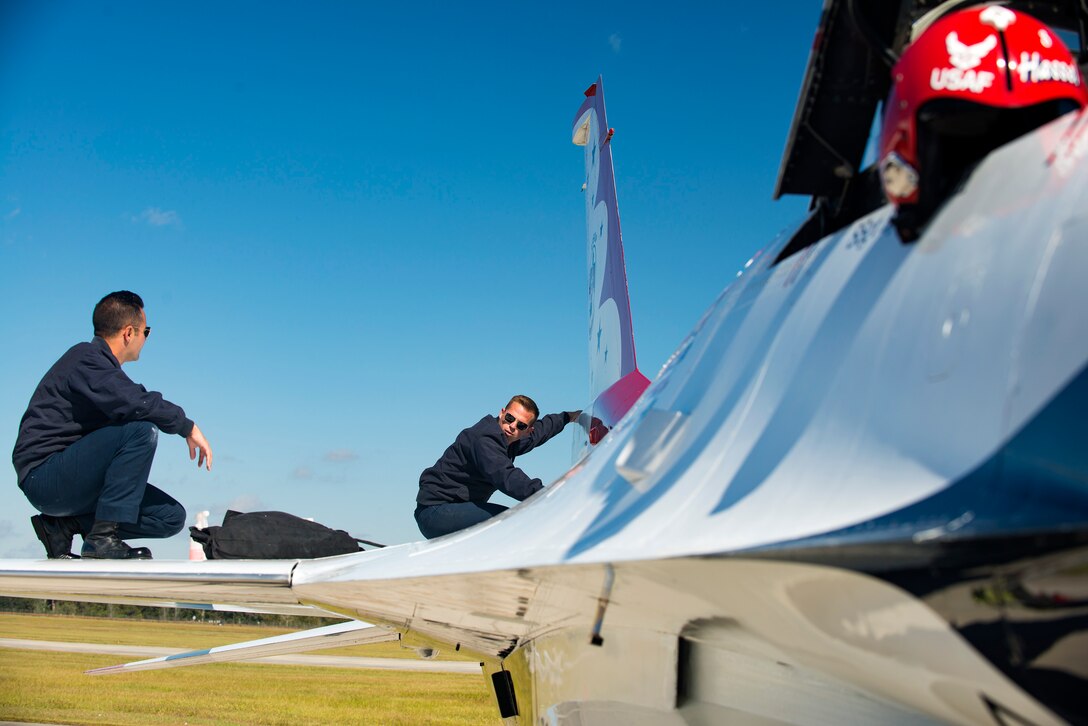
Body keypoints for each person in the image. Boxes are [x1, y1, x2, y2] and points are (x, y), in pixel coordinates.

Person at [12, 291, 213, 560]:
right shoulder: (85, 358)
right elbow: (136, 402)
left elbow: (130, 398)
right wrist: (187, 426)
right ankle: (102, 540)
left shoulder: (103, 373)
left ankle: (63, 526)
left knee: (169, 517)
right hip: (44, 477)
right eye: (147, 331)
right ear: (129, 333)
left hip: (73, 482)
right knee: (141, 431)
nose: (146, 339)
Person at [415, 395, 580, 539]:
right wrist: (549, 494)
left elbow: (540, 432)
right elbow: (506, 476)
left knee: (509, 520)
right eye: (510, 418)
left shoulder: (510, 439)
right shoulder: (484, 439)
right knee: (508, 520)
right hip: (434, 512)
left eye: (521, 425)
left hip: (455, 508)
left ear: (528, 430)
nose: (512, 426)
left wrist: (567, 417)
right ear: (502, 413)